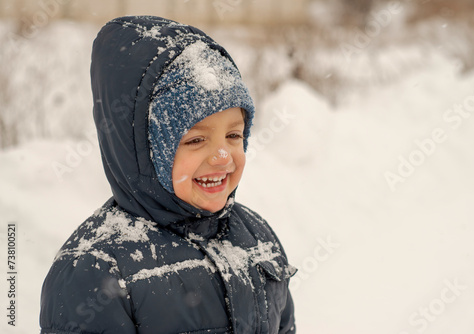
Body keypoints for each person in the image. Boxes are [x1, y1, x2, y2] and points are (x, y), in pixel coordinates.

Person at [40, 15, 296, 334]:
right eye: (196, 140)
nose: (222, 156)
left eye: (233, 136)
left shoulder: (256, 236)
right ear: (145, 153)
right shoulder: (96, 269)